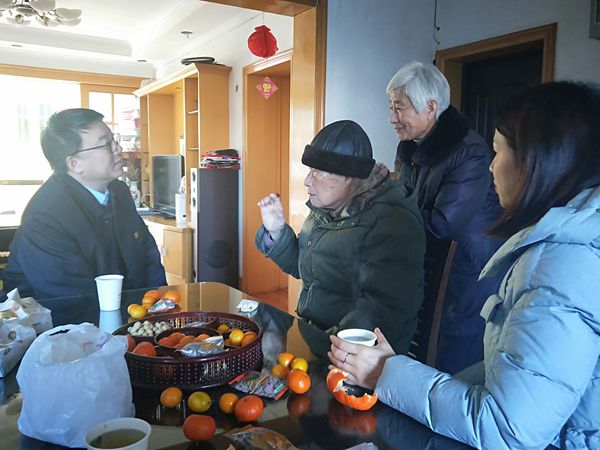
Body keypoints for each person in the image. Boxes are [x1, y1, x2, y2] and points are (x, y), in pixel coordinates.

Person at [329, 81, 600, 449]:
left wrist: (386, 372)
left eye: (498, 151)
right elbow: (505, 373)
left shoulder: (558, 268)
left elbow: (507, 428)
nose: (491, 166)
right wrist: (397, 373)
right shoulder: (565, 246)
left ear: (537, 165)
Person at [256, 120, 425, 354]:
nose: (307, 181)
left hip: (353, 352)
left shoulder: (393, 222)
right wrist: (276, 232)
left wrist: (326, 348)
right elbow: (307, 266)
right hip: (315, 336)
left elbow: (381, 311)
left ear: (348, 177)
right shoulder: (327, 209)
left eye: (317, 172)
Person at [388, 61, 503, 373]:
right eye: (391, 107)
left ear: (430, 107)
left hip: (466, 274)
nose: (392, 118)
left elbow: (440, 224)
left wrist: (383, 212)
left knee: (452, 368)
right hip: (428, 267)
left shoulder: (469, 152)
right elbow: (404, 204)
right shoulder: (410, 146)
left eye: (399, 107)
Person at [3, 108, 166, 300]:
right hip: (58, 314)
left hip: (126, 308)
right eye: (106, 144)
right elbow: (72, 297)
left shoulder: (118, 191)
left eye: (114, 140)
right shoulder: (45, 217)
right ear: (74, 163)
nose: (118, 149)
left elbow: (147, 256)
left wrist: (158, 304)